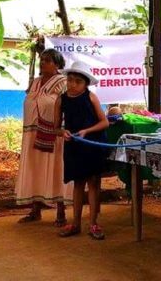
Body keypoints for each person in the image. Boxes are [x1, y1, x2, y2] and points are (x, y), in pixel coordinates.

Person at [15, 48, 71, 226]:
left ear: (57, 64)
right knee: (35, 169)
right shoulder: (35, 82)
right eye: (42, 60)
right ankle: (35, 210)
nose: (43, 63)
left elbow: (66, 106)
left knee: (56, 170)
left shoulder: (62, 82)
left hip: (54, 135)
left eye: (47, 60)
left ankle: (60, 212)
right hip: (31, 134)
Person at [56, 61, 109, 240]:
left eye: (77, 81)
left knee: (93, 183)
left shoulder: (91, 97)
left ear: (85, 84)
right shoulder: (61, 99)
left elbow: (104, 122)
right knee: (78, 184)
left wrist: (87, 131)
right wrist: (63, 132)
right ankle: (76, 223)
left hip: (93, 144)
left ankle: (94, 223)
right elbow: (56, 127)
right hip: (73, 145)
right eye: (70, 80)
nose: (72, 84)